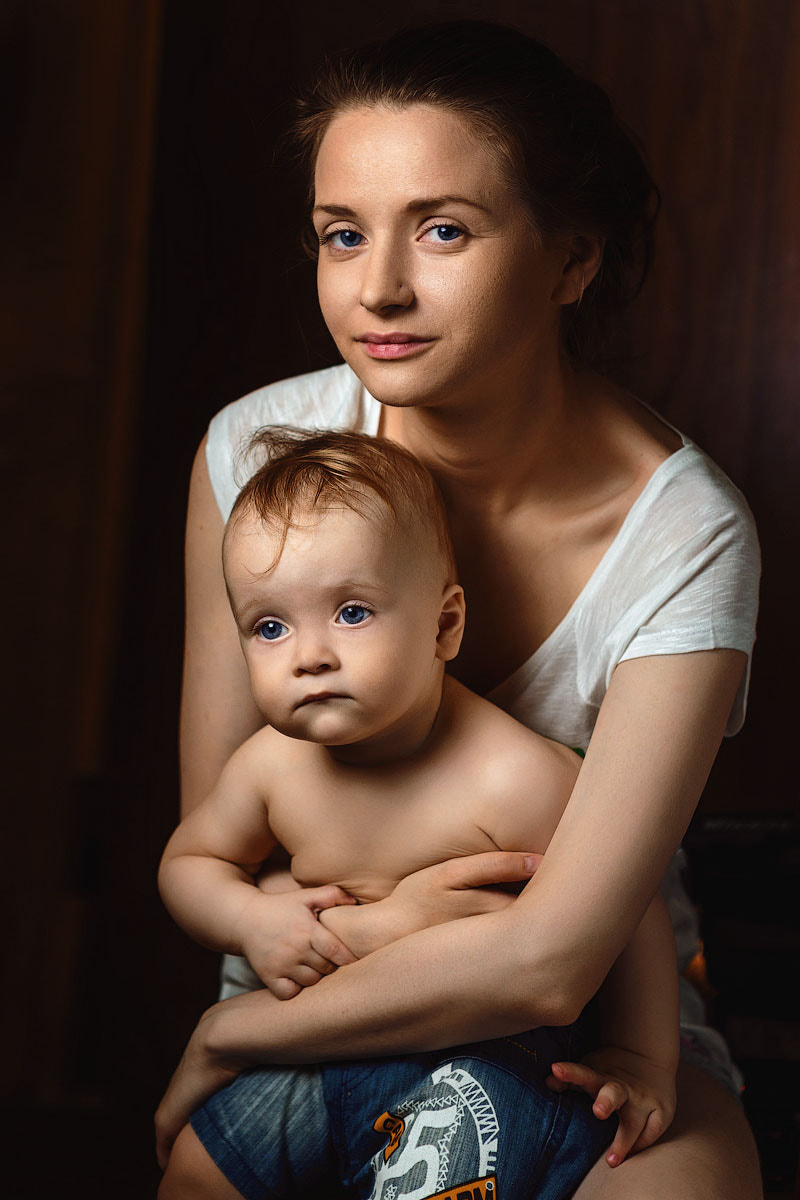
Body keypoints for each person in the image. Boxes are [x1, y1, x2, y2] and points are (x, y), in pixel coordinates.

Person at [157, 20, 763, 1200]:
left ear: (569, 260)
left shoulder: (685, 534)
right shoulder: (252, 452)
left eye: (443, 229)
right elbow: (230, 853)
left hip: (587, 1020)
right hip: (312, 998)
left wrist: (230, 1034)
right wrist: (312, 975)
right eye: (343, 234)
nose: (378, 286)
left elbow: (556, 959)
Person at [158, 428, 680, 1198]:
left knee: (434, 1175)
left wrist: (641, 1059)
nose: (309, 655)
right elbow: (190, 862)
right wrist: (249, 919)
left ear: (444, 625)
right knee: (197, 1172)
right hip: (318, 1043)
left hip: (483, 1054)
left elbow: (630, 910)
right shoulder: (272, 767)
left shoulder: (514, 776)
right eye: (270, 627)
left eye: (352, 612)